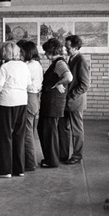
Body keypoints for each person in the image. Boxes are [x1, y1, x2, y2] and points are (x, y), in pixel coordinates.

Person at [0, 41, 32, 178]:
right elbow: (29, 85)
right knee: (19, 135)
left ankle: (4, 170)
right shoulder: (24, 66)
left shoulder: (4, 67)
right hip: (22, 102)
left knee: (5, 136)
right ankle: (19, 169)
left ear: (5, 53)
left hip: (6, 103)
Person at [38, 38, 73, 168]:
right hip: (55, 103)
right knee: (52, 131)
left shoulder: (59, 63)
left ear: (51, 50)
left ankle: (51, 161)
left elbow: (68, 77)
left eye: (46, 51)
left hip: (53, 103)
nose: (45, 54)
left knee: (48, 132)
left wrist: (57, 83)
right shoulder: (59, 62)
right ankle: (56, 157)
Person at [58, 35, 90, 165]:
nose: (66, 49)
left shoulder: (80, 60)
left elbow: (85, 84)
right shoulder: (71, 58)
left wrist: (71, 95)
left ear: (76, 47)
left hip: (75, 102)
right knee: (63, 128)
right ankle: (63, 155)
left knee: (77, 130)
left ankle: (77, 155)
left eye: (68, 47)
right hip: (67, 102)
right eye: (65, 47)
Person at [20, 41, 44, 171]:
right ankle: (28, 161)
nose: (20, 54)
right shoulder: (36, 64)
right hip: (33, 99)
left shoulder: (30, 65)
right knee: (28, 131)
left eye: (22, 52)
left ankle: (30, 163)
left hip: (29, 97)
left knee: (27, 133)